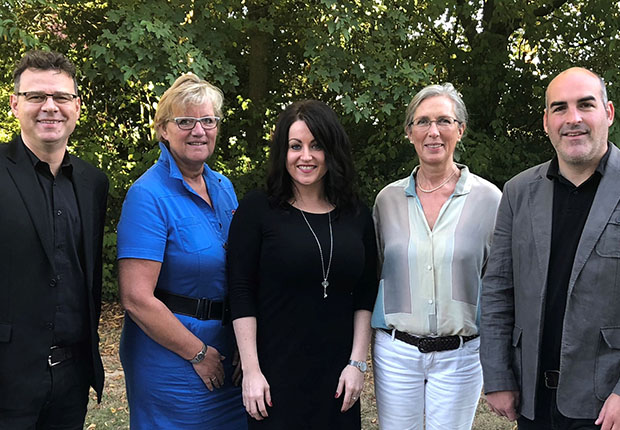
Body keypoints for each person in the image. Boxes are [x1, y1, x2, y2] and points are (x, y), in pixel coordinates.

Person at [480, 67, 620, 430]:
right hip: (533, 400)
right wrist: (497, 375)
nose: (572, 119)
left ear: (608, 112)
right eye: (560, 108)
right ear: (546, 121)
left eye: (585, 105)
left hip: (607, 404)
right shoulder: (517, 192)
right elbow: (498, 289)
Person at [228, 100, 378, 429]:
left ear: (332, 150)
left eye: (316, 146)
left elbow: (366, 293)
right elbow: (240, 290)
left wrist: (357, 363)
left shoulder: (356, 214)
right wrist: (251, 371)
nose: (306, 156)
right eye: (295, 146)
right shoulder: (257, 210)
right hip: (274, 374)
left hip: (339, 376)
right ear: (283, 151)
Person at [117, 73, 246, 429]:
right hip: (174, 360)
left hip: (228, 353)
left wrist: (244, 345)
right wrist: (199, 354)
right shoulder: (148, 196)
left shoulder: (223, 187)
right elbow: (135, 297)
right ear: (162, 129)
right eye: (185, 121)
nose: (198, 130)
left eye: (208, 120)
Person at [371, 83, 501, 430]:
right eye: (422, 121)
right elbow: (377, 268)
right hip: (396, 353)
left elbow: (499, 281)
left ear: (460, 129)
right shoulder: (387, 200)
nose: (433, 131)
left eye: (444, 120)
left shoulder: (490, 200)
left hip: (460, 354)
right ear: (409, 132)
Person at [0, 50, 109, 429]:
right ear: (15, 104)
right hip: (7, 381)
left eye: (61, 97)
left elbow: (88, 277)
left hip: (71, 380)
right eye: (36, 96)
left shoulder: (93, 183)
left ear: (76, 107)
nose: (50, 107)